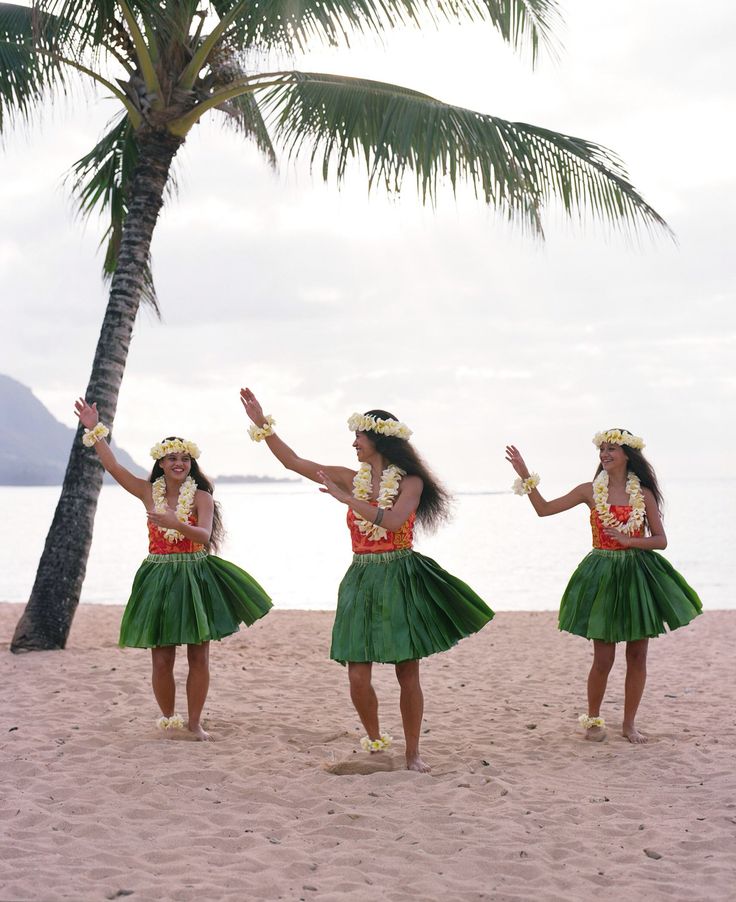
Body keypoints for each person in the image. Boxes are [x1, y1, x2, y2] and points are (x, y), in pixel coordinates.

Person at [240, 388, 494, 772]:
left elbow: (393, 522)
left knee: (407, 671)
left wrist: (349, 501)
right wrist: (263, 425)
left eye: (359, 436)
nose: (354, 442)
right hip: (361, 576)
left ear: (378, 440)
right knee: (357, 674)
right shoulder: (348, 477)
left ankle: (412, 753)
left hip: (400, 576)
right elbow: (294, 462)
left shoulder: (411, 483)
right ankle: (375, 741)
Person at [75, 398, 272, 741]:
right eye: (171, 458)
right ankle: (168, 719)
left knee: (199, 655)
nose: (178, 463)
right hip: (159, 577)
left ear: (191, 463)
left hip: (195, 576)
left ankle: (195, 724)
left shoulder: (202, 497)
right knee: (162, 658)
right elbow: (114, 467)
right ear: (161, 464)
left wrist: (174, 523)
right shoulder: (146, 491)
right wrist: (94, 429)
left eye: (184, 458)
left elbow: (204, 535)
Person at [505, 428, 702, 744]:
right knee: (603, 657)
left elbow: (661, 540)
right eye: (602, 449)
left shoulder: (644, 494)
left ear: (627, 455)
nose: (605, 454)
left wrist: (630, 540)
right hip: (603, 576)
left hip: (638, 575)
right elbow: (543, 510)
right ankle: (593, 721)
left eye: (612, 449)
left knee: (637, 656)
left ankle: (629, 724)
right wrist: (525, 475)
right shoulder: (588, 491)